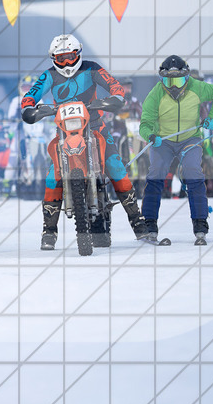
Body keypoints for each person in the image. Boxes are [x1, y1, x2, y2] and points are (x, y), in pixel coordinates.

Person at [21, 34, 149, 248]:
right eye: (61, 59)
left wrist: (116, 97)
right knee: (53, 175)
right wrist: (28, 107)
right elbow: (32, 94)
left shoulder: (92, 68)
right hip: (63, 130)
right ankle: (49, 231)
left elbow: (113, 84)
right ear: (53, 59)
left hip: (95, 124)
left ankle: (138, 222)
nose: (67, 63)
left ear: (78, 54)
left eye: (70, 57)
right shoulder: (49, 75)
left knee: (116, 166)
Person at [138, 55, 213, 245]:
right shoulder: (155, 94)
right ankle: (149, 223)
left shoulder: (197, 87)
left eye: (178, 81)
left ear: (186, 78)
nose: (174, 86)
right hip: (164, 141)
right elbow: (145, 124)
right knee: (156, 175)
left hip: (190, 138)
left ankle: (200, 223)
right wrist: (151, 135)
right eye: (169, 81)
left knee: (193, 172)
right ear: (162, 79)